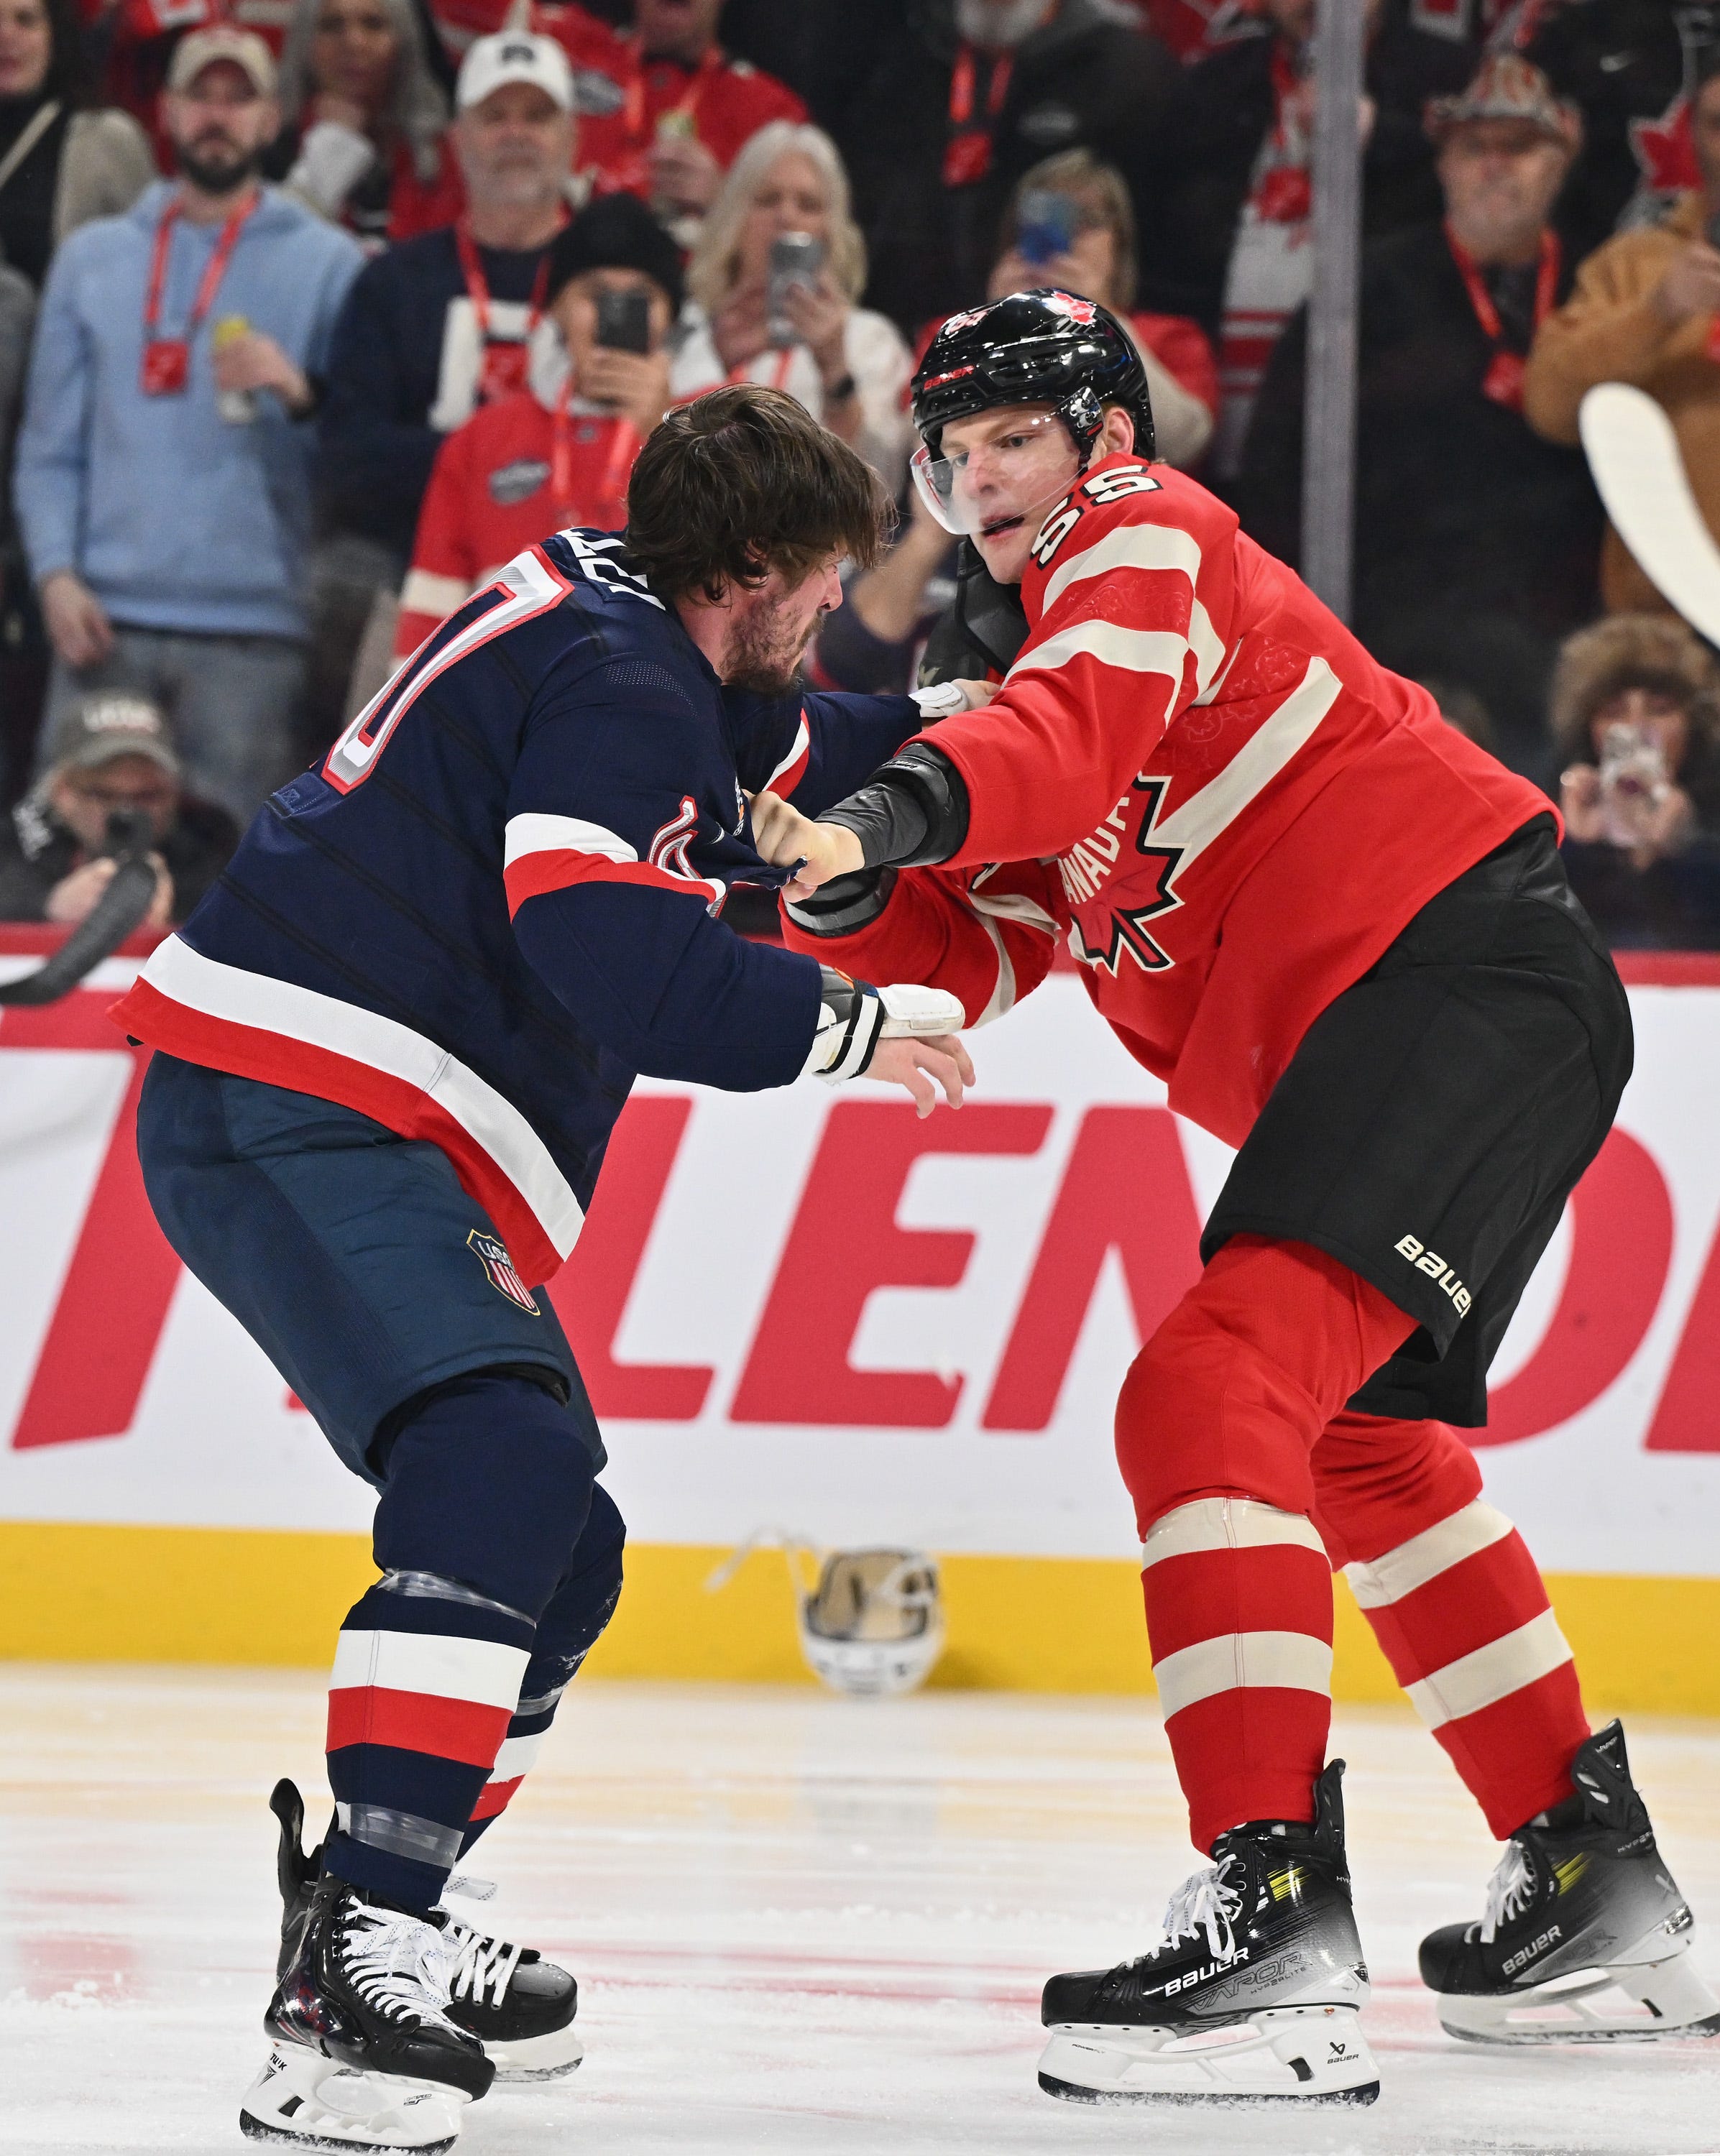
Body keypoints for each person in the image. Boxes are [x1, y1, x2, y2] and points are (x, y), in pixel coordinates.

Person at [750, 290, 1718, 2101]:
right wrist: (819, 886)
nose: (975, 480)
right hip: (1448, 1014)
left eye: (1007, 438)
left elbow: (1050, 748)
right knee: (1347, 1441)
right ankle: (1594, 1883)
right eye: (947, 459)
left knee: (1200, 1391)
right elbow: (987, 944)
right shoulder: (1022, 659)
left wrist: (878, 803)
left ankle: (1267, 1909)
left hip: (1452, 981)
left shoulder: (1141, 538)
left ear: (1101, 437)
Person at [109, 383, 977, 2151]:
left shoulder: (629, 621)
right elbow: (597, 936)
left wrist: (939, 732)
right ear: (743, 572)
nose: (830, 617)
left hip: (324, 1098)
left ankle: (386, 1903)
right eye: (818, 584)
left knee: (559, 1545)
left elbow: (762, 761)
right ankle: (355, 1950)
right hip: (297, 1099)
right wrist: (841, 1022)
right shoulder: (625, 682)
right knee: (499, 1465)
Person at [13, 27, 364, 825]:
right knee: (64, 870)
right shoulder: (92, 259)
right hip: (103, 620)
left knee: (229, 899)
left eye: (238, 99)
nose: (217, 116)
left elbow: (356, 464)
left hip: (255, 632)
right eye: (200, 96)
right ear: (165, 113)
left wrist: (299, 395)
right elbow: (48, 447)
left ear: (272, 119)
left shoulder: (330, 263)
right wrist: (55, 576)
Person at [1236, 55, 1603, 777]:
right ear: (1441, 165)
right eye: (1473, 148)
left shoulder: (1600, 286)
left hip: (1559, 621)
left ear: (1561, 160)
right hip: (1388, 617)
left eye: (1519, 147)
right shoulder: (1360, 292)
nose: (1495, 168)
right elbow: (1277, 464)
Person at [1141, 0, 1476, 478]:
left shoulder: (1448, 77)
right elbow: (1165, 267)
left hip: (1385, 446)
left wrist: (1380, 136)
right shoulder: (1209, 90)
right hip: (1223, 435)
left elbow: (1473, 239)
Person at [316, 28, 579, 574]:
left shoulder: (614, 280)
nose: (517, 134)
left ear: (572, 138)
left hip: (575, 577)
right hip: (411, 563)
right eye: (495, 116)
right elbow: (349, 455)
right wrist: (499, 460)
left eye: (537, 116)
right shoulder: (394, 282)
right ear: (457, 139)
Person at [393, 190, 680, 660]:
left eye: (640, 298)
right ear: (557, 311)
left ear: (669, 315)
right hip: (507, 712)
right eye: (595, 295)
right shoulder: (481, 439)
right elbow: (432, 607)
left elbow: (736, 592)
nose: (615, 313)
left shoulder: (712, 438)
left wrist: (664, 436)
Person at [834, 0, 1179, 336]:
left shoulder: (1125, 71)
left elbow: (1149, 232)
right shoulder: (901, 55)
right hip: (913, 338)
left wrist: (1105, 321)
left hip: (1070, 334)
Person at [1522, 37, 1720, 618]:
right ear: (1692, 136)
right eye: (1716, 124)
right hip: (1663, 616)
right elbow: (1550, 406)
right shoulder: (1634, 266)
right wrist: (1656, 312)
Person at [673, 119, 914, 492]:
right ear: (733, 220)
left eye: (809, 205)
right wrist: (717, 362)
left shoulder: (868, 339)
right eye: (768, 200)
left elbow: (878, 493)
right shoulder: (686, 326)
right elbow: (638, 456)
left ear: (831, 230)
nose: (786, 217)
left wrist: (834, 368)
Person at [986, 147, 1216, 468]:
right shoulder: (952, 332)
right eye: (1045, 218)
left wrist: (1100, 321)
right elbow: (937, 450)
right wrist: (994, 325)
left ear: (1119, 244)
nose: (1062, 238)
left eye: (1087, 221)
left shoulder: (1171, 338)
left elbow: (1182, 444)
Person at [561, 0, 806, 245]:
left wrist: (725, 201)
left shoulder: (771, 111)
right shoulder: (568, 48)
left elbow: (796, 238)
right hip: (559, 266)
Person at [1553, 612, 1720, 951]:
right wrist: (1570, 848)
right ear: (1588, 729)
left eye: (1659, 709)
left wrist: (1689, 848)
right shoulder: (1553, 831)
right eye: (1614, 712)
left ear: (1694, 725)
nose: (1637, 727)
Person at [0, 690, 238, 924]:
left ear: (173, 793)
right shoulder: (18, 833)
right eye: (104, 795)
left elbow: (240, 924)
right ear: (63, 793)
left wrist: (176, 916)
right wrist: (49, 905)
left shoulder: (209, 836)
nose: (126, 812)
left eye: (146, 796)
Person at [267, 0, 462, 246]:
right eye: (332, 25)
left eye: (373, 24)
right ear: (305, 45)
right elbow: (266, 261)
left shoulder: (446, 156)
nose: (353, 42)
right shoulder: (267, 147)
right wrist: (332, 144)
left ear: (405, 44)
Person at [0, 0, 154, 290]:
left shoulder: (108, 138)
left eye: (25, 20)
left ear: (57, 35)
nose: (6, 35)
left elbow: (149, 275)